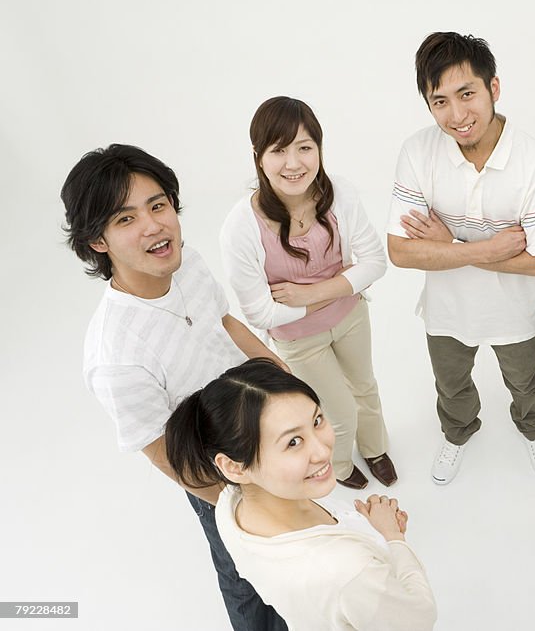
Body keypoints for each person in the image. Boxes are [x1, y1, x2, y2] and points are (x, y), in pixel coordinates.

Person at [61, 145, 288, 630]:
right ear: (97, 242)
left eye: (158, 205)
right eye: (125, 219)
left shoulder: (187, 262)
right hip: (215, 473)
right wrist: (243, 503)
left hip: (263, 424)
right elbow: (166, 455)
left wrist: (280, 377)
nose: (153, 226)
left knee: (293, 566)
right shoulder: (115, 355)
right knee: (244, 575)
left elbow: (223, 321)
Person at [387, 31, 535, 485]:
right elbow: (400, 251)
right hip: (446, 310)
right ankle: (458, 432)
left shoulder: (534, 162)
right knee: (452, 384)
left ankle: (533, 428)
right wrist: (486, 248)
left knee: (526, 383)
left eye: (467, 94)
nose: (457, 115)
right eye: (440, 101)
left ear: (494, 89)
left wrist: (447, 246)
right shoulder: (417, 151)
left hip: (516, 310)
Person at [165, 358, 437, 631]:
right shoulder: (348, 571)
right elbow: (419, 620)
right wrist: (393, 538)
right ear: (234, 467)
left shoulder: (230, 507)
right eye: (293, 442)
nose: (322, 450)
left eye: (317, 420)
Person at [220, 96, 393, 490]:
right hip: (300, 341)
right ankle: (343, 464)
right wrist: (343, 283)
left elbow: (376, 263)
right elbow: (261, 314)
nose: (294, 163)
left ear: (319, 149)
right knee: (336, 410)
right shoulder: (240, 228)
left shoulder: (340, 193)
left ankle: (376, 448)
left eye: (305, 148)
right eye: (279, 150)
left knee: (365, 386)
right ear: (258, 157)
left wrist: (308, 294)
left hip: (351, 318)